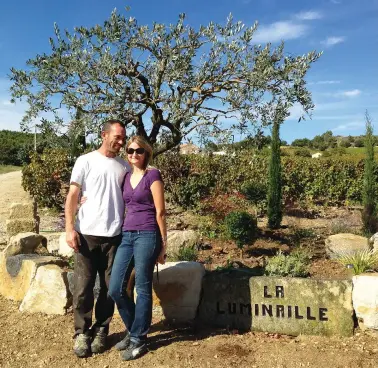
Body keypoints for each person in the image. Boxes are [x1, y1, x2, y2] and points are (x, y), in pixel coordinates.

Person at [65, 119, 129, 358]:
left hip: (114, 237)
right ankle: (82, 333)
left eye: (124, 138)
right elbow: (73, 195)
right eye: (118, 137)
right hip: (86, 235)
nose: (121, 142)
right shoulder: (86, 160)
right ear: (104, 134)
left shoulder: (124, 166)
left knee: (108, 289)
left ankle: (101, 329)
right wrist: (70, 228)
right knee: (83, 288)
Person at [108, 135, 167, 361]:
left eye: (138, 151)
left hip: (148, 234)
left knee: (142, 288)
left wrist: (163, 244)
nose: (134, 154)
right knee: (116, 288)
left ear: (146, 153)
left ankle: (139, 339)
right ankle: (134, 331)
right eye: (130, 151)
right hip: (127, 235)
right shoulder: (126, 176)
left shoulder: (153, 174)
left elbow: (161, 212)